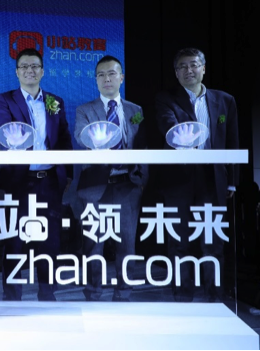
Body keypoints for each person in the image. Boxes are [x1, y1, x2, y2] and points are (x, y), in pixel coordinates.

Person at [155, 47, 239, 302]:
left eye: (193, 65)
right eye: (182, 66)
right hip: (178, 179)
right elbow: (170, 129)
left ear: (203, 68)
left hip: (213, 178)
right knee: (178, 241)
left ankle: (215, 297)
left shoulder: (225, 100)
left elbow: (232, 141)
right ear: (176, 73)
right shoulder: (166, 99)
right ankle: (183, 296)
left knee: (212, 241)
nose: (188, 70)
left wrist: (232, 182)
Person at [0, 48, 73, 301]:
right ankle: (12, 297)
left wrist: (68, 174)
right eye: (24, 67)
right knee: (14, 241)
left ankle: (47, 294)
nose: (30, 70)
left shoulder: (55, 101)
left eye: (35, 66)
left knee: (50, 241)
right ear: (17, 72)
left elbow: (64, 138)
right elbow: (4, 132)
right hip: (18, 181)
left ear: (43, 71)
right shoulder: (5, 100)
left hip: (49, 181)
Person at [74, 55, 148, 302]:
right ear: (96, 80)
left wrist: (142, 179)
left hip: (127, 185)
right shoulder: (84, 110)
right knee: (93, 245)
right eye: (101, 75)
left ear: (121, 77)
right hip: (95, 186)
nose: (107, 78)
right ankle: (93, 294)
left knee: (127, 244)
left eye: (112, 73)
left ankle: (124, 294)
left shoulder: (135, 110)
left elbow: (143, 147)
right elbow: (82, 138)